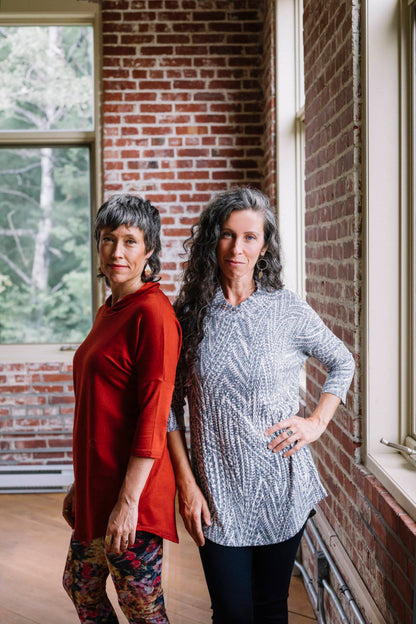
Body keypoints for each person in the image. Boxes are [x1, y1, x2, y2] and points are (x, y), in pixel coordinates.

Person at [167, 187, 355, 624]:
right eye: (228, 235)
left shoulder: (287, 309)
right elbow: (169, 408)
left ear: (265, 246)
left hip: (280, 484)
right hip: (215, 489)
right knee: (231, 613)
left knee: (271, 609)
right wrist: (186, 483)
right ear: (212, 239)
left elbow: (342, 362)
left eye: (250, 237)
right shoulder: (188, 315)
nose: (238, 248)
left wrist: (315, 424)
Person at [62, 194, 181, 624]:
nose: (117, 251)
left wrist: (127, 502)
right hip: (100, 483)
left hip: (135, 495)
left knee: (142, 608)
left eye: (130, 241)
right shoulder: (108, 309)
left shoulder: (153, 313)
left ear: (149, 251)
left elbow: (153, 417)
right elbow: (100, 407)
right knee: (81, 585)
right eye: (108, 239)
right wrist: (83, 483)